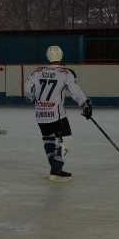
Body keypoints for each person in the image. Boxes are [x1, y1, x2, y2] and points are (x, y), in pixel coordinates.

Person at [24, 46, 92, 182]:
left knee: (48, 139)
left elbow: (28, 91)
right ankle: (56, 169)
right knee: (66, 139)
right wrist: (85, 104)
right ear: (61, 56)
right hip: (56, 114)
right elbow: (75, 91)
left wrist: (32, 98)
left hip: (40, 114)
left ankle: (54, 168)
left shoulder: (37, 72)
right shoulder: (65, 73)